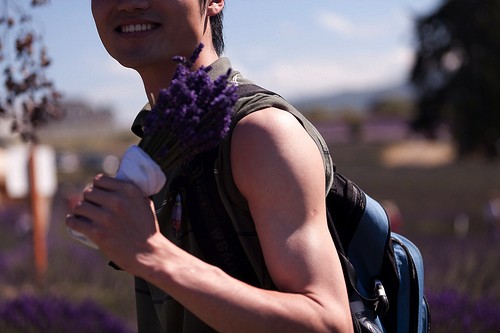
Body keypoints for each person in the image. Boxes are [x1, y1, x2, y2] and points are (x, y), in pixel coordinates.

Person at [66, 1, 353, 332]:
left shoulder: (260, 134)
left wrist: (154, 255)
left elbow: (329, 322)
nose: (130, 2)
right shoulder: (159, 141)